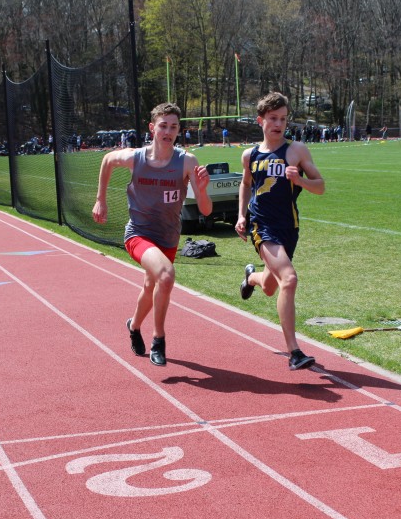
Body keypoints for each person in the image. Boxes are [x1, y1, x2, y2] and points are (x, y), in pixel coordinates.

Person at [92, 102, 211, 366]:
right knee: (166, 276)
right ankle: (159, 339)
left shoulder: (187, 161)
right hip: (138, 233)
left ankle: (134, 326)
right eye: (163, 126)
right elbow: (107, 160)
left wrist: (202, 191)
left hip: (168, 236)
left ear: (179, 130)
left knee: (151, 285)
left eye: (173, 127)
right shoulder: (136, 158)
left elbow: (205, 210)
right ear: (152, 128)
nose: (168, 132)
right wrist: (101, 200)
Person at [235, 92, 325, 370]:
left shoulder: (297, 150)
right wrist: (241, 215)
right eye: (273, 118)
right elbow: (246, 184)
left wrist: (300, 180)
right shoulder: (250, 155)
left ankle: (251, 278)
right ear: (260, 120)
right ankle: (294, 351)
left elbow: (320, 186)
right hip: (261, 225)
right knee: (289, 279)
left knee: (270, 287)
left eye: (283, 119)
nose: (278, 124)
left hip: (289, 226)